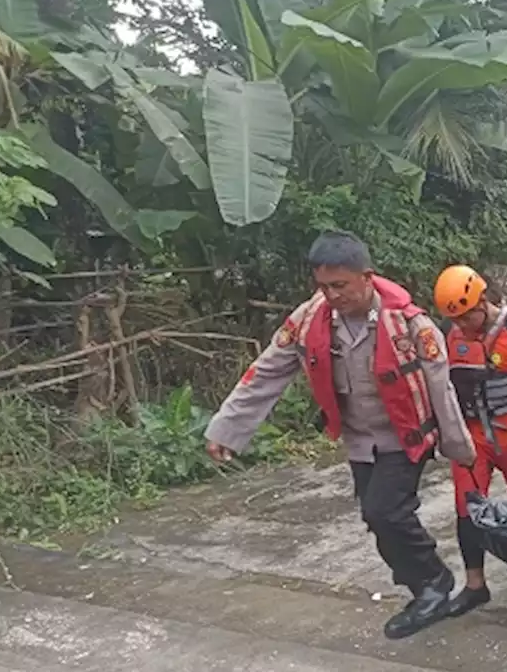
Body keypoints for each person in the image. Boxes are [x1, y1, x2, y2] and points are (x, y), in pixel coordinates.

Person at [204, 233, 475, 639]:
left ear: (366, 277)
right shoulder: (310, 319)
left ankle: (433, 584)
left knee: (385, 511)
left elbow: (442, 389)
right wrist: (228, 429)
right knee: (377, 517)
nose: (331, 295)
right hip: (359, 439)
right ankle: (425, 586)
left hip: (406, 436)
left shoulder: (410, 325)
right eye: (323, 286)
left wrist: (459, 449)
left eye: (340, 286)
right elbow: (267, 371)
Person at [436, 265, 507, 618]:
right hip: (470, 438)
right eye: (456, 319)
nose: (463, 325)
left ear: (483, 301)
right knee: (466, 508)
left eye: (468, 316)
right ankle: (474, 585)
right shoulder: (447, 333)